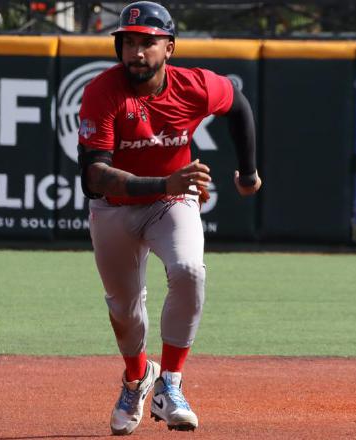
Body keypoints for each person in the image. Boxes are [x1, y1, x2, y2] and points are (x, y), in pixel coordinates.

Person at [76, 1, 261, 435]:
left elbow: (238, 107)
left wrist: (248, 173)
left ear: (169, 48)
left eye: (147, 43)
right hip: (116, 207)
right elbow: (95, 177)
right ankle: (137, 378)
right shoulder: (103, 91)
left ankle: (170, 384)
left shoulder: (194, 85)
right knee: (124, 311)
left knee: (189, 270)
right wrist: (165, 183)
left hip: (171, 202)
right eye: (128, 43)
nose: (136, 52)